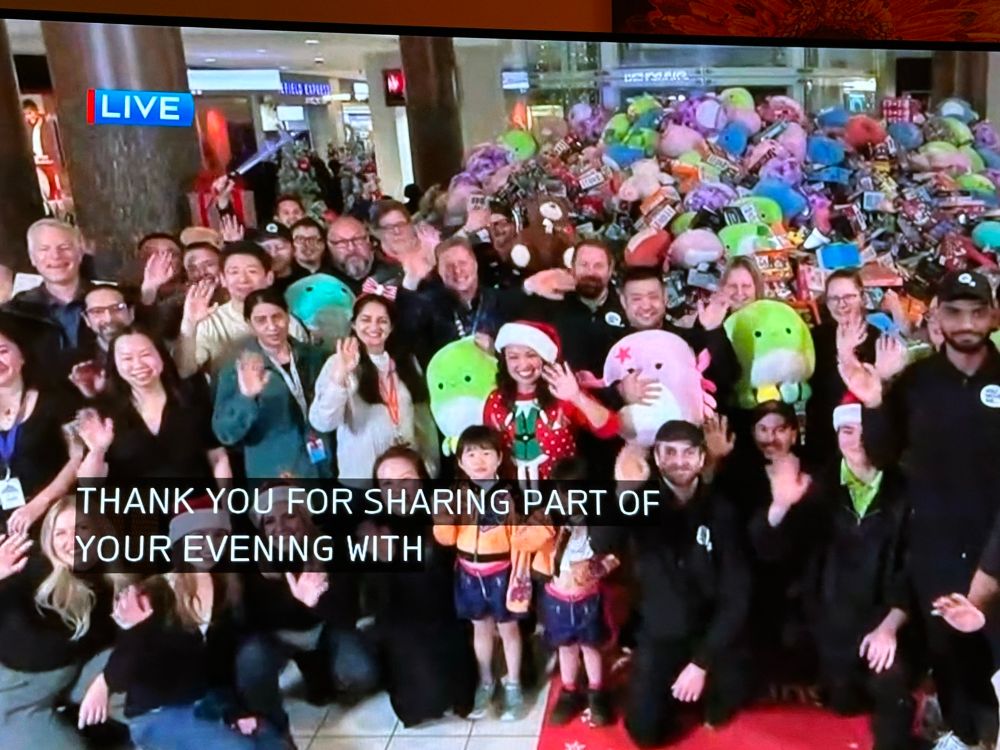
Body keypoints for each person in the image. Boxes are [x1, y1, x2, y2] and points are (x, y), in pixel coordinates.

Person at [841, 270, 1000, 750]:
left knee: (995, 654)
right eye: (955, 311)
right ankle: (960, 729)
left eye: (977, 311)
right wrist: (873, 403)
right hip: (934, 547)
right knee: (949, 652)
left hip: (996, 544)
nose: (967, 322)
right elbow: (883, 454)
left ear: (993, 315)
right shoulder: (916, 380)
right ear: (937, 318)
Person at [749, 401, 915, 750]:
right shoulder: (817, 486)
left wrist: (889, 627)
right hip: (828, 621)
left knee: (892, 686)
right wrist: (779, 507)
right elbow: (769, 550)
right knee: (843, 703)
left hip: (879, 623)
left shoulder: (905, 491)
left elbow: (910, 569)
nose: (856, 440)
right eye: (847, 431)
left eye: (864, 430)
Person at [591, 421, 750, 748]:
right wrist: (623, 491)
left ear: (702, 457)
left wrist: (701, 663)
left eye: (689, 452)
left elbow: (738, 595)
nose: (680, 460)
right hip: (661, 632)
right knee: (644, 733)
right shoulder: (640, 498)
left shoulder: (721, 509)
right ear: (657, 459)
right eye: (670, 452)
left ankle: (706, 681)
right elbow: (600, 541)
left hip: (711, 632)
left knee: (725, 705)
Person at [103, 503, 290, 749]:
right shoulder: (154, 592)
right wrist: (136, 630)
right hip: (159, 711)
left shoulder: (227, 589)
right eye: (199, 536)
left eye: (218, 536)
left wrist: (234, 712)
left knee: (272, 743)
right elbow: (121, 675)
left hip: (209, 701)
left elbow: (220, 671)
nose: (210, 545)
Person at [236, 485, 376, 737]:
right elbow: (251, 623)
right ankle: (273, 727)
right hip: (278, 638)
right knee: (251, 658)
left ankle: (320, 670)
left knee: (362, 672)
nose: (280, 527)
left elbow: (348, 615)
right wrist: (291, 598)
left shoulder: (332, 546)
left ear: (304, 516)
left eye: (289, 515)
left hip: (324, 630)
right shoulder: (251, 561)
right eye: (269, 521)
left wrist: (315, 602)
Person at [360, 446, 477, 726]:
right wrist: (381, 562)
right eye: (387, 483)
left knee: (459, 695)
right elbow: (373, 602)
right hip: (402, 624)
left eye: (406, 479)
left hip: (450, 615)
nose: (398, 489)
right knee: (422, 703)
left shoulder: (443, 511)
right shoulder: (371, 527)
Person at [0, 497, 119, 749]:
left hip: (76, 672)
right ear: (49, 541)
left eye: (82, 529)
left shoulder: (111, 575)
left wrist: (106, 679)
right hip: (19, 694)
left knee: (142, 681)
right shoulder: (29, 569)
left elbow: (133, 635)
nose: (72, 540)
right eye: (61, 533)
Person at [432, 426, 528, 721]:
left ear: (500, 458)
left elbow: (523, 537)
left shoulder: (513, 494)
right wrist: (443, 521)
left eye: (486, 453)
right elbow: (446, 536)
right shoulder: (455, 495)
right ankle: (486, 682)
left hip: (503, 572)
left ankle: (513, 684)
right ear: (460, 462)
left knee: (509, 630)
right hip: (469, 574)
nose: (479, 460)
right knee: (481, 628)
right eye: (470, 454)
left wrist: (520, 577)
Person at [309, 293, 440, 482]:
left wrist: (429, 466)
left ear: (391, 326)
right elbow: (322, 422)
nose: (374, 327)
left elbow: (423, 420)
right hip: (362, 482)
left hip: (406, 479)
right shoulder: (338, 363)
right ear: (354, 324)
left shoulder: (407, 362)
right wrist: (340, 377)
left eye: (382, 321)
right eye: (366, 319)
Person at [76, 327, 232, 484]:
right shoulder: (104, 411)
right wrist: (98, 451)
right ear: (114, 365)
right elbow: (89, 483)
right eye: (127, 358)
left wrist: (226, 503)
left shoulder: (191, 396)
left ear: (161, 356)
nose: (138, 364)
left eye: (145, 355)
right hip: (136, 505)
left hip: (195, 503)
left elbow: (218, 456)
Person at [213, 289, 333, 479]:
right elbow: (225, 433)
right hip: (272, 472)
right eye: (261, 320)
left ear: (288, 316)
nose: (272, 327)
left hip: (321, 464)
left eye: (277, 317)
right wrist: (246, 397)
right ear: (250, 325)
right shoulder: (236, 369)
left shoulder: (314, 357)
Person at [535, 456, 617, 728]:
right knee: (565, 648)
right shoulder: (549, 521)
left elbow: (615, 556)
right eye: (563, 494)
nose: (570, 502)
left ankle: (597, 691)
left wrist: (599, 567)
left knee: (591, 647)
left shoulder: (601, 524)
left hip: (588, 600)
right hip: (557, 598)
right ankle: (569, 690)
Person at [484, 320, 619, 484]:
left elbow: (610, 428)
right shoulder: (495, 401)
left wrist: (576, 396)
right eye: (513, 357)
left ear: (545, 357)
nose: (523, 364)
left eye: (531, 355)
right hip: (512, 497)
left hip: (561, 495)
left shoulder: (563, 393)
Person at [0, 314, 82, 536]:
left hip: (54, 516)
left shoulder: (55, 400)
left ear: (22, 356)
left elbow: (78, 456)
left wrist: (40, 503)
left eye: (3, 352)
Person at [175, 241, 308, 378]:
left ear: (269, 278)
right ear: (223, 279)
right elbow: (184, 371)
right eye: (234, 272)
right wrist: (189, 324)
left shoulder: (286, 321)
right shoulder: (210, 321)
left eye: (252, 271)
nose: (243, 279)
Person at [619, 266, 739, 411]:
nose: (646, 306)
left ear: (665, 297)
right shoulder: (610, 346)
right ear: (624, 302)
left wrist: (713, 331)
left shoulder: (689, 340)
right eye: (636, 299)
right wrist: (620, 393)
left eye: (653, 297)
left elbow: (729, 377)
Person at [805, 269, 881, 466]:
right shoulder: (815, 338)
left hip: (865, 444)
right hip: (822, 442)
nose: (842, 304)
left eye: (849, 296)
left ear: (862, 297)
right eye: (834, 299)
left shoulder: (878, 338)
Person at [4, 219, 96, 367]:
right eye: (44, 249)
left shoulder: (109, 301)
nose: (55, 256)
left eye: (64, 247)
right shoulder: (14, 311)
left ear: (80, 253)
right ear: (32, 258)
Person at [67, 285, 136, 399]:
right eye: (97, 311)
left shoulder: (155, 352)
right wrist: (91, 394)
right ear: (86, 319)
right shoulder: (77, 365)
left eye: (117, 308)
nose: (109, 318)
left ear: (131, 313)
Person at [326, 216, 395, 295]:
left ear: (368, 240)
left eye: (357, 239)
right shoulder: (323, 285)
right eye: (342, 242)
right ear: (329, 246)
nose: (351, 248)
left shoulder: (394, 275)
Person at [246, 223, 306, 297]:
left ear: (294, 249)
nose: (273, 254)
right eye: (266, 248)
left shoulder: (307, 281)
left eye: (280, 247)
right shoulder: (249, 282)